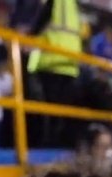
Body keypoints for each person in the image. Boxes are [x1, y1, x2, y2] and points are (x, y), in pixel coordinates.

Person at [26, 0, 83, 146]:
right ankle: (54, 147)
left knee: (45, 116)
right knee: (59, 116)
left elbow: (39, 23)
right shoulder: (73, 5)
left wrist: (27, 39)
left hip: (49, 63)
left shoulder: (54, 2)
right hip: (69, 66)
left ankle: (44, 148)